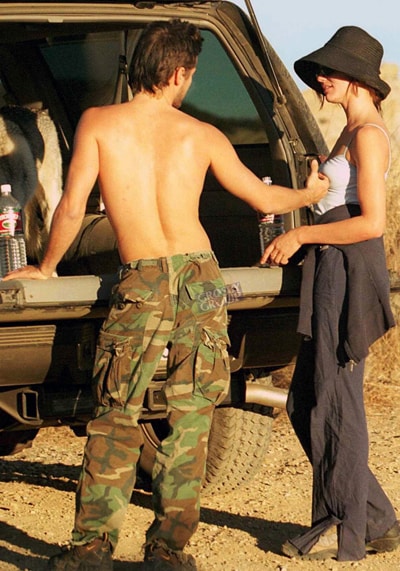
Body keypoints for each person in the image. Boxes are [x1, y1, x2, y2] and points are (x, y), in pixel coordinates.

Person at [3, 19, 328, 571]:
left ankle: (91, 549)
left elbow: (73, 206)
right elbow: (261, 198)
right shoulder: (201, 134)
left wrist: (46, 266)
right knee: (192, 416)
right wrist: (310, 192)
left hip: (142, 279)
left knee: (116, 414)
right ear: (179, 73)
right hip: (200, 279)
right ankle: (167, 552)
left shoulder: (99, 123)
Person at [262, 26, 399, 562]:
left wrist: (301, 236)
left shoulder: (368, 135)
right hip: (328, 269)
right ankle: (378, 519)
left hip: (347, 270)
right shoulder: (347, 131)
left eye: (331, 70)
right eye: (320, 70)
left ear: (359, 78)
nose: (321, 78)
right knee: (307, 401)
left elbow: (372, 223)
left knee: (336, 404)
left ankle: (342, 526)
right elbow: (332, 198)